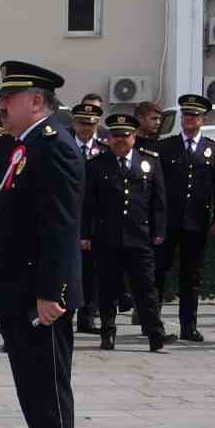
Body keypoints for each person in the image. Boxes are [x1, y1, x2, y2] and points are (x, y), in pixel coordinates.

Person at [0, 61, 83, 428]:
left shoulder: (54, 146)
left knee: (47, 386)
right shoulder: (25, 146)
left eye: (11, 98)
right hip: (18, 290)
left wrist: (51, 292)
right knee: (31, 387)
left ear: (37, 102)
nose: (1, 105)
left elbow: (61, 227)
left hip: (39, 294)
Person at [82, 113, 170, 352]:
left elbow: (159, 201)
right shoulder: (96, 164)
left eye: (125, 135)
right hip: (107, 236)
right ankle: (107, 333)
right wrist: (85, 234)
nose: (120, 139)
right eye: (115, 135)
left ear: (134, 137)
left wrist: (159, 231)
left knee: (146, 288)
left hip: (140, 236)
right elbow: (87, 203)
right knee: (108, 288)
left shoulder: (149, 161)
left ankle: (155, 333)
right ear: (108, 138)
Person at [154, 94, 215, 342]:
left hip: (196, 221)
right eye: (186, 115)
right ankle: (153, 324)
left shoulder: (213, 150)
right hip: (168, 221)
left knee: (191, 275)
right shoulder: (165, 147)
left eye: (194, 115)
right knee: (159, 272)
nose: (189, 119)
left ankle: (188, 326)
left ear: (203, 119)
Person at [69, 102, 107, 335]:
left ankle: (88, 316)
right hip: (69, 215)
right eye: (82, 123)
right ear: (74, 123)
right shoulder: (64, 146)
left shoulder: (103, 150)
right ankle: (66, 313)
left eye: (91, 124)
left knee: (92, 272)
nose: (86, 129)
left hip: (94, 218)